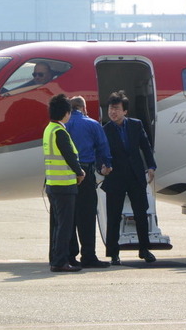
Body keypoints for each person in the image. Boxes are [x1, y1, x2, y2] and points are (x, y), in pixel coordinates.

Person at [101, 90, 157, 265]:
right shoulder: (105, 129)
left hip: (135, 175)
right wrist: (101, 167)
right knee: (113, 215)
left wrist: (151, 166)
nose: (113, 112)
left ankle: (144, 249)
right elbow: (100, 152)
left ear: (125, 111)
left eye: (116, 109)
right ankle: (113, 253)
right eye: (111, 108)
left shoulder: (136, 125)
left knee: (141, 214)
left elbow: (145, 146)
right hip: (115, 177)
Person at [65, 96, 113, 269]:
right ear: (84, 108)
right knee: (86, 216)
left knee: (68, 217)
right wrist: (106, 165)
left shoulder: (63, 126)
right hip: (85, 174)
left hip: (65, 176)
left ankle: (70, 255)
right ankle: (88, 255)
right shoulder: (92, 124)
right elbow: (103, 147)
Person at [43, 94, 85, 272]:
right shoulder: (60, 132)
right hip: (64, 185)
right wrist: (80, 172)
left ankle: (55, 258)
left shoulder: (49, 129)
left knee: (57, 224)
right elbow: (69, 155)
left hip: (53, 184)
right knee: (65, 226)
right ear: (66, 113)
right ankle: (60, 262)